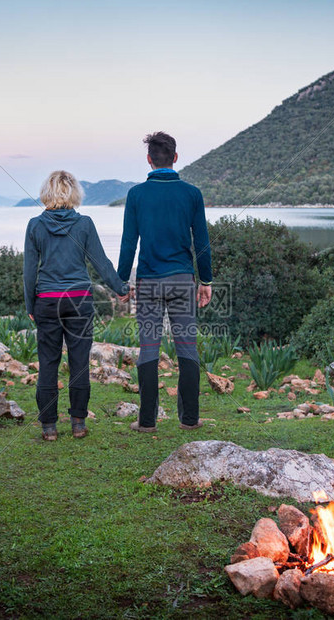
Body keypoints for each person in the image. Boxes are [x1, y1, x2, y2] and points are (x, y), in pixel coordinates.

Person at [117, 132, 213, 433]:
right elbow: (202, 242)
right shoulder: (192, 194)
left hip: (148, 281)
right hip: (183, 280)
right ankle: (189, 419)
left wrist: (121, 281)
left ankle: (147, 421)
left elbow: (129, 242)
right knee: (187, 348)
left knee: (149, 349)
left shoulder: (136, 195)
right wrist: (206, 280)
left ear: (149, 160)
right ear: (175, 157)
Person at [23, 170, 129, 441]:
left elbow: (29, 272)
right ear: (74, 193)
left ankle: (49, 427)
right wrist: (120, 288)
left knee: (48, 364)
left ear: (47, 192)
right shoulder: (84, 224)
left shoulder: (35, 225)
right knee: (79, 364)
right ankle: (78, 424)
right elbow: (101, 262)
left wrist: (30, 305)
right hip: (79, 301)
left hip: (46, 302)